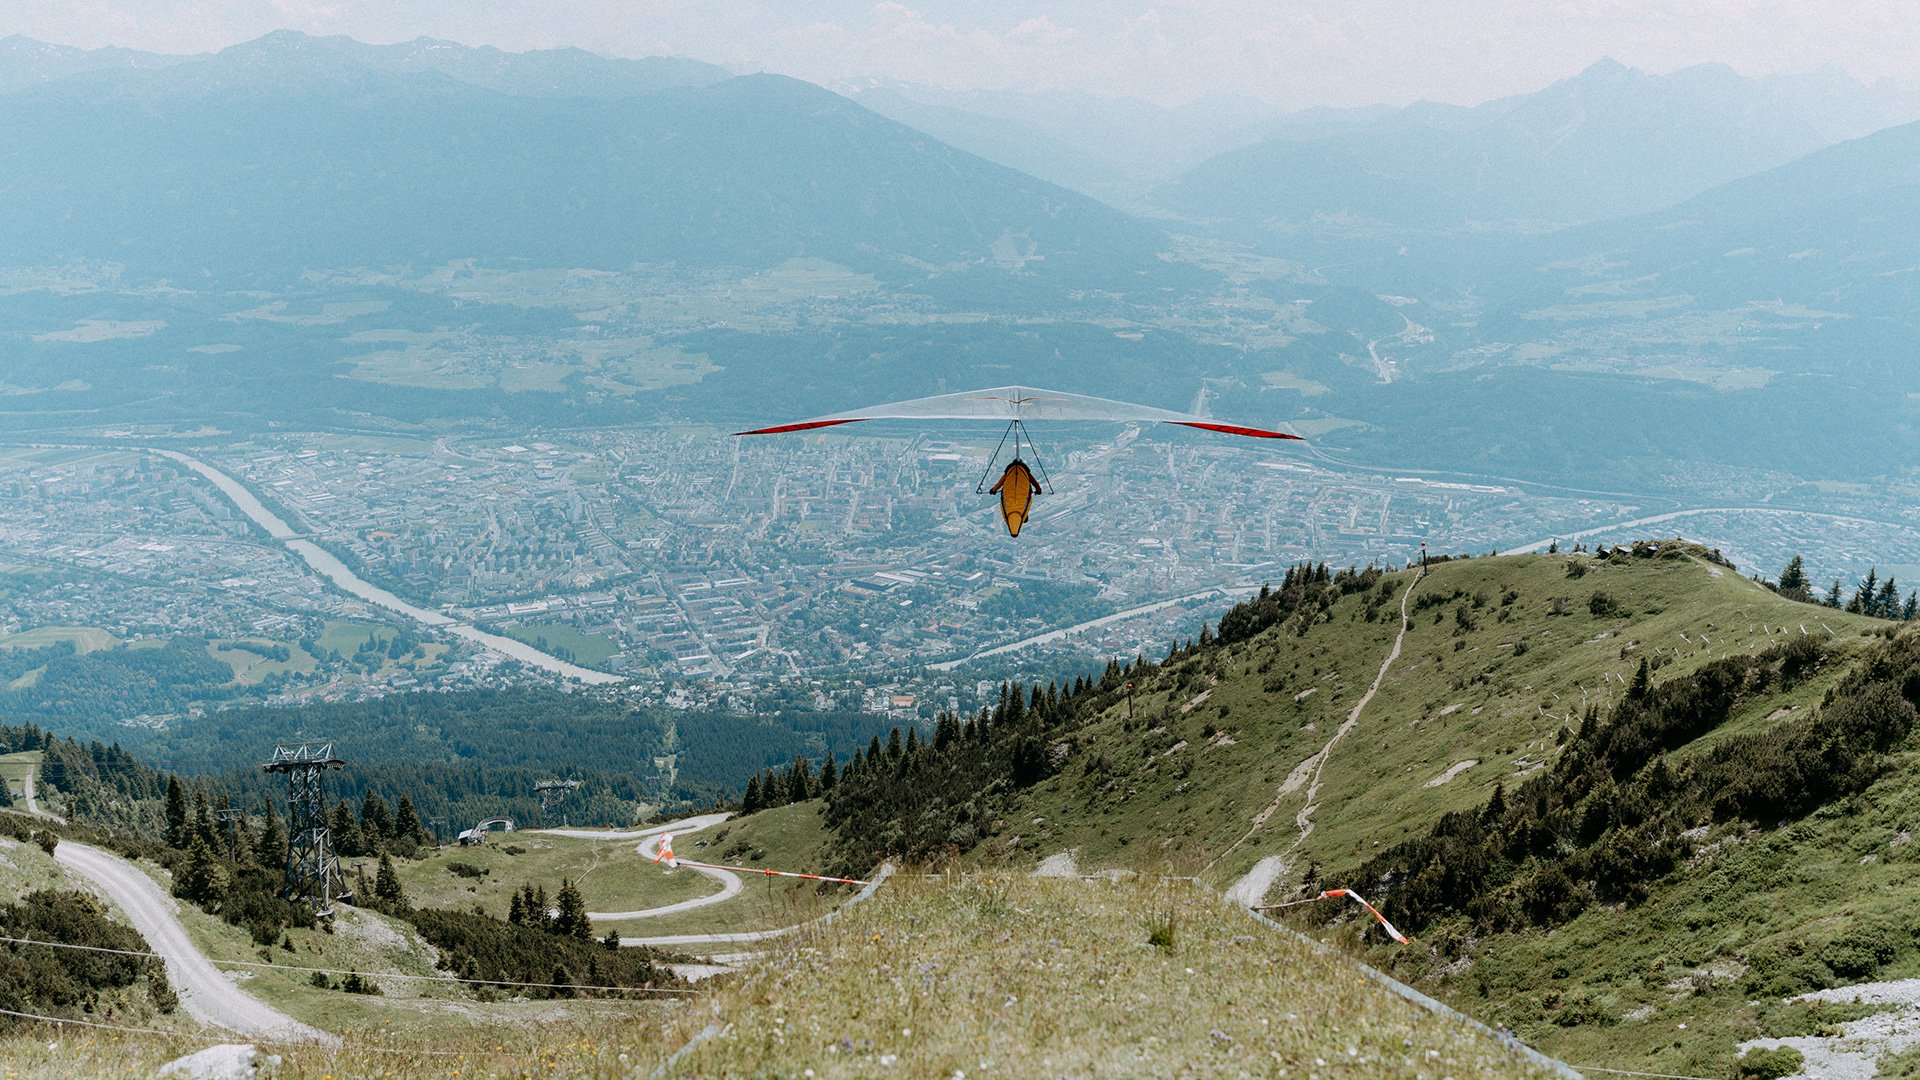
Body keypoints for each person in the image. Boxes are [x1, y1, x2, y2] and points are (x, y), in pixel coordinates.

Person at [989, 458, 1042, 537]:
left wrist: (993, 490)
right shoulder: (1025, 471)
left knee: (1021, 505)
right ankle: (1021, 518)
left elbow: (1000, 482)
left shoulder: (1009, 471)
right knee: (1021, 505)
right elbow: (1034, 482)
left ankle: (1021, 518)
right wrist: (1038, 489)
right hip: (1018, 494)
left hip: (1014, 494)